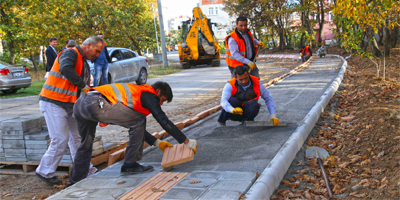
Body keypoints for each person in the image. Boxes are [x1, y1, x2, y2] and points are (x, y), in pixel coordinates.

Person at [68, 81, 198, 186]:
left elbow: (135, 126)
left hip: (81, 103)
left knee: (86, 144)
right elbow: (163, 120)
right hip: (97, 103)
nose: (161, 104)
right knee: (139, 119)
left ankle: (74, 182)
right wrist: (186, 141)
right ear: (157, 91)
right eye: (162, 100)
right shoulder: (149, 94)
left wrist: (156, 142)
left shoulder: (135, 94)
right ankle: (130, 164)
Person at [35, 36, 104, 186]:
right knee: (60, 138)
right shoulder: (70, 53)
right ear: (89, 45)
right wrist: (83, 86)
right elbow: (66, 69)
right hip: (53, 102)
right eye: (97, 51)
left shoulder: (83, 61)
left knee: (77, 139)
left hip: (70, 105)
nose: (97, 55)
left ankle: (86, 170)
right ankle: (44, 171)